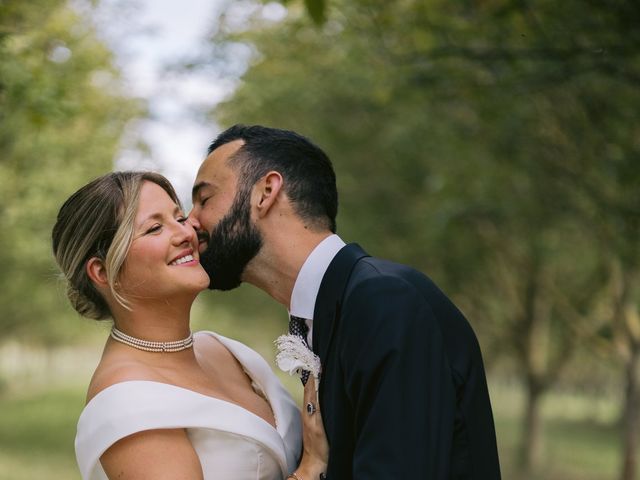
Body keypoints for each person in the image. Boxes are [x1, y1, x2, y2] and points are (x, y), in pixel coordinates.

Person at [188, 125, 502, 479]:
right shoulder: (330, 313)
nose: (190, 222)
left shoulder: (384, 303)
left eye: (204, 199)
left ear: (266, 191)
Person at [52, 171, 328, 480]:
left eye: (179, 217)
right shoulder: (126, 404)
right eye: (155, 227)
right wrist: (310, 469)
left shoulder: (227, 351)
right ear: (102, 272)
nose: (187, 233)